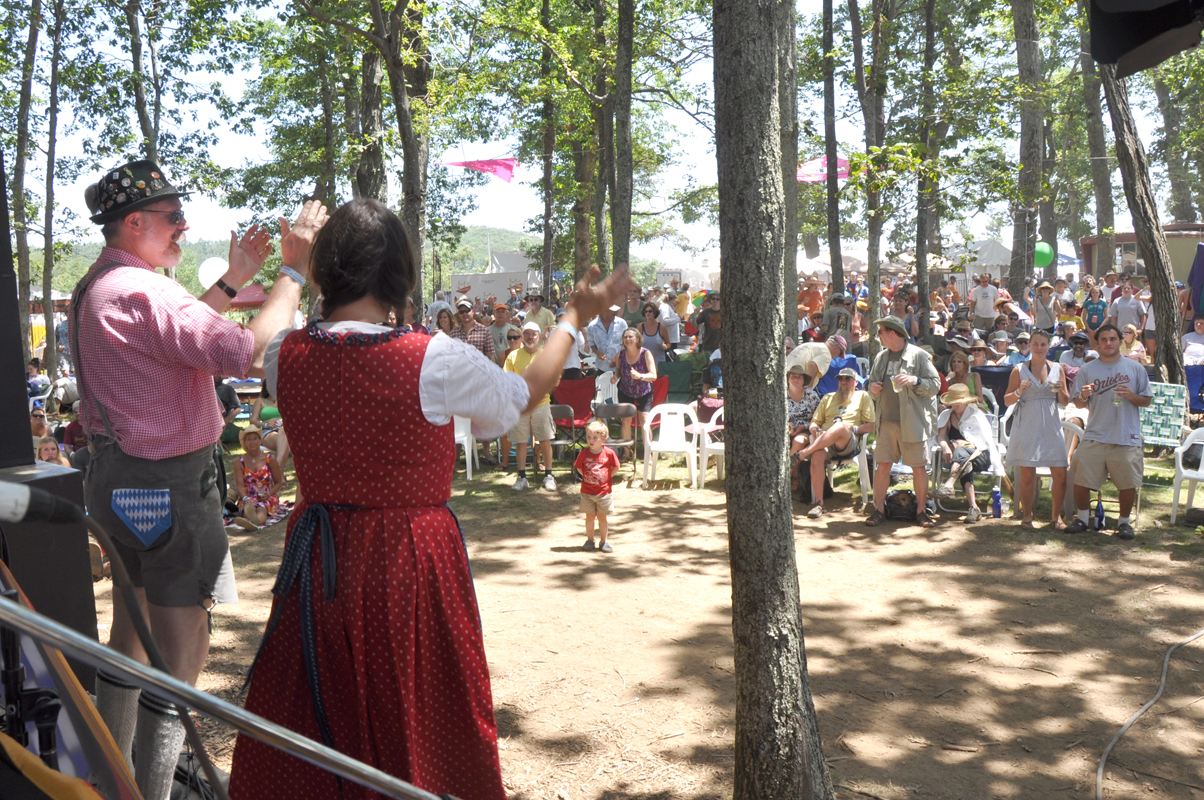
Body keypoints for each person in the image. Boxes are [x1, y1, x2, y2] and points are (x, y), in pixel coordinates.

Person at [228, 198, 633, 800]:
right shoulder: (431, 357)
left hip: (317, 563)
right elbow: (525, 392)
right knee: (416, 711)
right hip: (406, 562)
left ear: (325, 271)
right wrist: (573, 315)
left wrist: (293, 269)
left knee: (321, 713)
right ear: (399, 273)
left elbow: (258, 342)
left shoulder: (286, 354)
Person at [75, 158, 322, 800]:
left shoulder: (102, 284)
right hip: (165, 486)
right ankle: (153, 790)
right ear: (135, 223)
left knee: (129, 631)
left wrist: (236, 278)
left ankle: (112, 780)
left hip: (116, 481)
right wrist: (292, 271)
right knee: (181, 648)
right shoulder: (146, 291)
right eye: (171, 216)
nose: (184, 226)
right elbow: (247, 351)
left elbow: (178, 338)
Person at [1063, 324, 1153, 540]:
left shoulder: (1135, 368)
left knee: (1127, 482)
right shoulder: (1088, 370)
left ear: (1120, 340)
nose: (1109, 343)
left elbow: (1147, 400)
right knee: (1081, 475)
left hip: (1126, 434)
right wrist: (1083, 396)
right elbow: (1078, 402)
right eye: (1104, 339)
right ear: (1097, 343)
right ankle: (1083, 519)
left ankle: (1124, 523)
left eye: (1113, 339)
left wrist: (1131, 395)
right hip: (1095, 434)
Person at [866, 315, 941, 527]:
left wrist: (915, 380)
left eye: (880, 332)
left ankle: (921, 512)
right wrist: (872, 389)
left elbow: (935, 385)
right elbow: (871, 384)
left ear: (892, 333)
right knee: (882, 467)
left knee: (918, 467)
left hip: (913, 423)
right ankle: (879, 510)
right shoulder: (881, 358)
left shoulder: (920, 356)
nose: (877, 336)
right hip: (886, 422)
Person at [1003, 329, 1069, 529]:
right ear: (1029, 346)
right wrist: (1019, 390)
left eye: (1043, 344)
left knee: (1060, 472)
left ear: (1049, 347)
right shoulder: (1019, 370)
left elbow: (1066, 401)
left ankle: (1056, 517)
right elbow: (1007, 400)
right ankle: (1027, 516)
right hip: (1027, 424)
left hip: (1050, 424)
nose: (1039, 348)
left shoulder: (1058, 368)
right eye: (1036, 344)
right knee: (1027, 474)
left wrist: (1060, 390)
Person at [796, 368, 875, 517]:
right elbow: (815, 422)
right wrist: (814, 430)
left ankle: (804, 452)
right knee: (818, 455)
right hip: (825, 442)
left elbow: (871, 425)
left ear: (856, 382)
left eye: (847, 379)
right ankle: (819, 504)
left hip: (848, 442)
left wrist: (852, 428)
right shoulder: (828, 398)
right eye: (841, 379)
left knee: (839, 426)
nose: (843, 382)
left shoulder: (862, 396)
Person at [933, 384, 1001, 523]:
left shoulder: (976, 415)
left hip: (981, 456)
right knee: (965, 462)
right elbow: (940, 437)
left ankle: (948, 484)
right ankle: (974, 508)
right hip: (960, 460)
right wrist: (945, 447)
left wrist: (963, 445)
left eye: (958, 403)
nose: (955, 406)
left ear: (966, 402)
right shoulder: (947, 416)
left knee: (960, 452)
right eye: (952, 403)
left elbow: (985, 443)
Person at [506, 321, 559, 491]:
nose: (530, 337)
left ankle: (549, 476)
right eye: (527, 334)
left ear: (539, 336)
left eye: (533, 334)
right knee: (521, 442)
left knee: (545, 440)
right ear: (522, 336)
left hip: (541, 403)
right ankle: (522, 478)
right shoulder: (513, 356)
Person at [575, 419, 621, 553]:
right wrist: (589, 477)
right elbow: (579, 468)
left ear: (603, 439)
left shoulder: (609, 453)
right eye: (589, 437)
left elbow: (616, 466)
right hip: (587, 492)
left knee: (602, 517)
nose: (591, 440)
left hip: (604, 493)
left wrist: (607, 478)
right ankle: (590, 540)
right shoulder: (583, 453)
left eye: (595, 437)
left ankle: (604, 541)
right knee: (589, 517)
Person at [611, 327, 657, 456]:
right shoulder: (620, 354)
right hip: (625, 390)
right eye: (625, 337)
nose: (627, 339)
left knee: (645, 419)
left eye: (630, 336)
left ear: (637, 339)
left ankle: (649, 453)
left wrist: (640, 376)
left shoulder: (646, 353)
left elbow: (653, 375)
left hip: (643, 391)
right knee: (626, 421)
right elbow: (619, 370)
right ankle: (626, 453)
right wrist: (616, 377)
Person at [230, 426, 283, 530]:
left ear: (260, 441)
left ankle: (254, 522)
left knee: (261, 509)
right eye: (249, 439)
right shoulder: (239, 462)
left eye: (255, 438)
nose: (252, 442)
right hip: (247, 496)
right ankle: (250, 520)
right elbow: (239, 486)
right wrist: (246, 499)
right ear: (244, 442)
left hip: (267, 495)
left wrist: (269, 494)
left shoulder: (270, 459)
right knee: (248, 509)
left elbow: (278, 482)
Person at [786, 364, 823, 492]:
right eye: (793, 376)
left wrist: (804, 427)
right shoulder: (781, 396)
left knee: (798, 442)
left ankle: (785, 476)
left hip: (807, 428)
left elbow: (819, 418)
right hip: (786, 429)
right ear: (788, 379)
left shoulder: (811, 396)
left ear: (804, 380)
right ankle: (795, 477)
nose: (796, 379)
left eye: (799, 377)